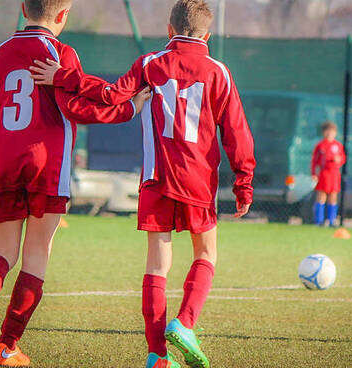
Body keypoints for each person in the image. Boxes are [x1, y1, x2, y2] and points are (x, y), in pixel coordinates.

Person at [30, 1, 256, 366]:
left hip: (156, 178)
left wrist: (63, 77)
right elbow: (237, 134)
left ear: (169, 30)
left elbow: (110, 95)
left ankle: (157, 355)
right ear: (208, 35)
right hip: (199, 180)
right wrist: (244, 183)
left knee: (156, 265)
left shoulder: (151, 64)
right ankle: (184, 323)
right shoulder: (219, 72)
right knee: (206, 254)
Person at [0, 0, 151, 366]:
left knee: (2, 254)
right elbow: (77, 108)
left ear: (22, 8)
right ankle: (7, 346)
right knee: (35, 257)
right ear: (63, 15)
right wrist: (130, 109)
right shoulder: (61, 53)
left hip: (2, 167)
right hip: (47, 166)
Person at [311, 121, 345, 227]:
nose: (330, 133)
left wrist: (339, 159)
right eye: (328, 131)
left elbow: (343, 158)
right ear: (324, 133)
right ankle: (319, 221)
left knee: (333, 196)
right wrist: (314, 173)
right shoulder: (321, 145)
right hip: (324, 173)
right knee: (321, 195)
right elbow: (314, 161)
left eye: (332, 131)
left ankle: (331, 220)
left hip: (334, 174)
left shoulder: (338, 145)